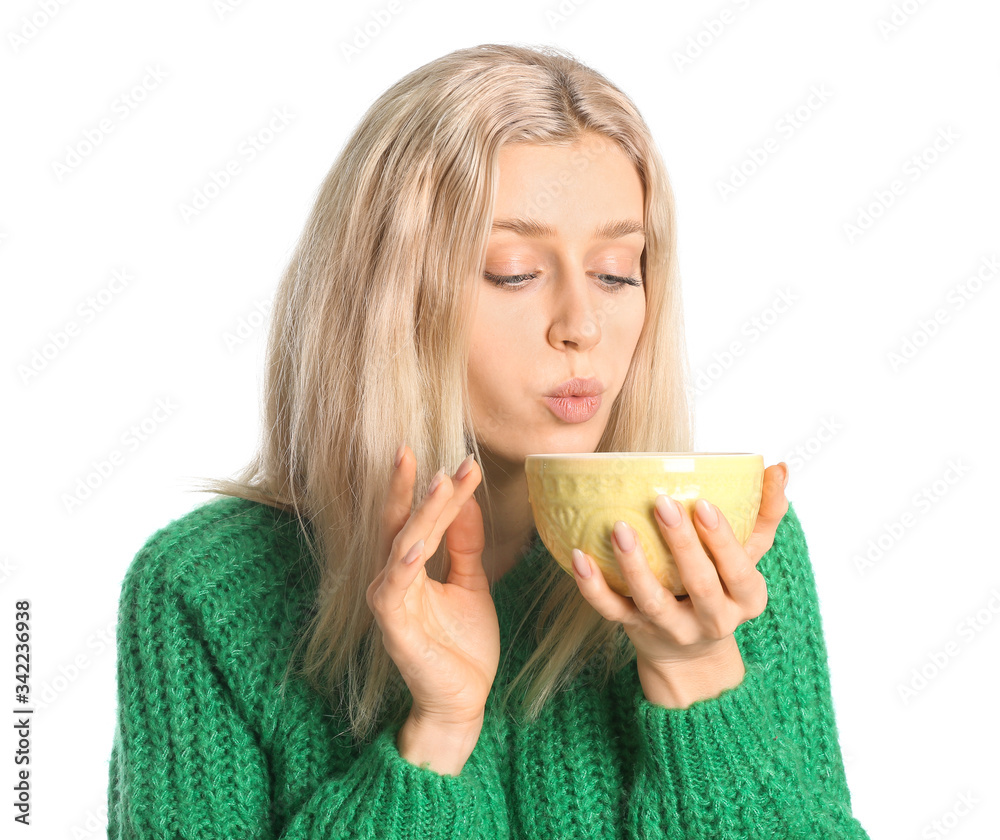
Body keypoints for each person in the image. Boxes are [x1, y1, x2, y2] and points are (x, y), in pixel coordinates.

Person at [106, 43, 871, 838]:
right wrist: (436, 738)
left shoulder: (728, 556)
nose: (581, 325)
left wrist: (699, 675)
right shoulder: (202, 591)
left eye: (616, 271)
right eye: (513, 272)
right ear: (388, 300)